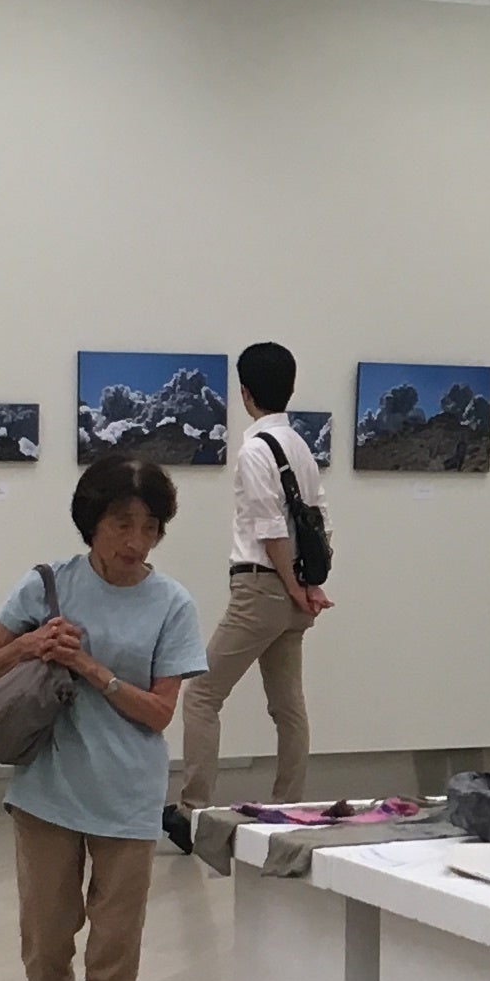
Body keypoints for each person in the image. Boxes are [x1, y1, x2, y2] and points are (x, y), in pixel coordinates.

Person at [0, 455, 204, 981]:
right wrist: (32, 645)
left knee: (113, 954)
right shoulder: (50, 584)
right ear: (91, 522)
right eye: (121, 523)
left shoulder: (173, 605)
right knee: (45, 947)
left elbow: (160, 712)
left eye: (149, 526)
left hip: (128, 799)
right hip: (47, 792)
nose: (136, 540)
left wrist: (93, 669)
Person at [167, 338, 328, 845]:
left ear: (244, 392)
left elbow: (271, 531)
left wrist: (292, 589)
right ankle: (289, 805)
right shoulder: (300, 448)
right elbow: (317, 523)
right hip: (292, 591)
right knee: (288, 706)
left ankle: (192, 811)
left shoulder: (256, 450)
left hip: (261, 589)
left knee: (202, 694)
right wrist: (309, 587)